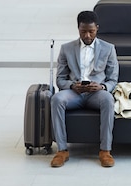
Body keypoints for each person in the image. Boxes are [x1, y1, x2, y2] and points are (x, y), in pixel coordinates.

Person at [50, 11, 119, 168]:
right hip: (74, 92)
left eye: (91, 31)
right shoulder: (66, 49)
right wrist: (72, 85)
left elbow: (113, 79)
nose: (87, 35)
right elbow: (60, 79)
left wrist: (102, 87)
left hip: (97, 93)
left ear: (97, 29)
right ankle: (62, 150)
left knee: (108, 99)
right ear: (78, 29)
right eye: (83, 31)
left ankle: (105, 150)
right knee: (56, 99)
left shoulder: (108, 49)